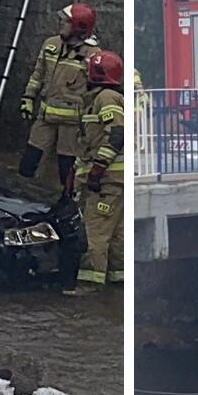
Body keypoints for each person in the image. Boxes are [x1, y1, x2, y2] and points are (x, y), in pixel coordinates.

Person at [20, 3, 100, 187]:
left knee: (67, 166)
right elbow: (38, 74)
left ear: (78, 26)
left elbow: (94, 92)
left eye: (66, 22)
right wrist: (28, 97)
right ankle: (18, 195)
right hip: (45, 116)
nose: (61, 24)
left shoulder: (93, 55)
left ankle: (67, 201)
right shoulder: (51, 45)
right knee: (31, 157)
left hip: (71, 124)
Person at [67, 50, 124, 294]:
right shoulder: (99, 99)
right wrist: (76, 172)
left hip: (106, 182)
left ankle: (90, 286)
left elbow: (117, 135)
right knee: (116, 236)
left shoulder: (106, 98)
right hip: (113, 182)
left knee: (95, 234)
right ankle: (116, 285)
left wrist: (97, 170)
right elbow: (90, 143)